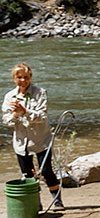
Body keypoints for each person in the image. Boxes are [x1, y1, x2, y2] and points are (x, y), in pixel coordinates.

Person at [3, 63, 63, 208]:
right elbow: (6, 121)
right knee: (28, 175)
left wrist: (25, 111)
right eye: (19, 77)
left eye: (26, 77)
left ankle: (57, 200)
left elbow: (42, 116)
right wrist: (15, 115)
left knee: (47, 171)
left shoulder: (40, 92)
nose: (23, 81)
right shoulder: (9, 96)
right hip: (21, 143)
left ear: (30, 78)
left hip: (41, 140)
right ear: (14, 78)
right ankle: (36, 203)